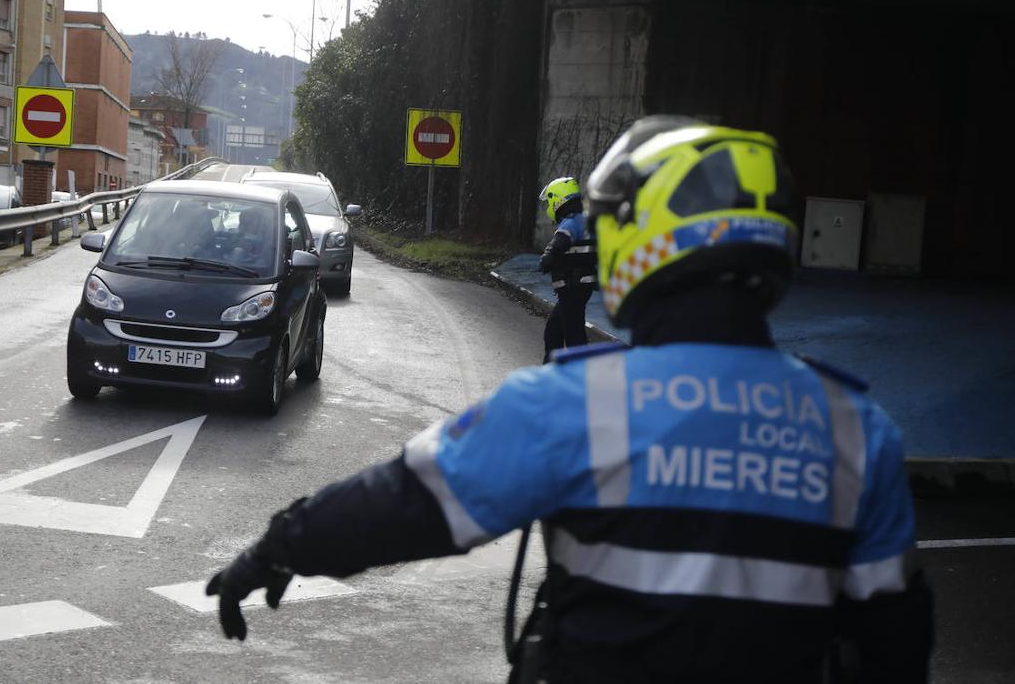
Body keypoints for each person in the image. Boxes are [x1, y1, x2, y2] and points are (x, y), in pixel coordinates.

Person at [206, 116, 933, 683]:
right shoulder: (856, 430)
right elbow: (895, 641)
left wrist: (278, 548)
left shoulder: (579, 403)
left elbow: (407, 503)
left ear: (646, 242)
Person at [537, 177, 598, 363]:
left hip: (574, 287)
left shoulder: (571, 222)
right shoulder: (582, 219)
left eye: (550, 201)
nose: (549, 206)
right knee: (554, 331)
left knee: (574, 334)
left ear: (558, 200)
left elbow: (560, 242)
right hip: (575, 287)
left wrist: (547, 258)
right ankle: (552, 370)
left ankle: (581, 377)